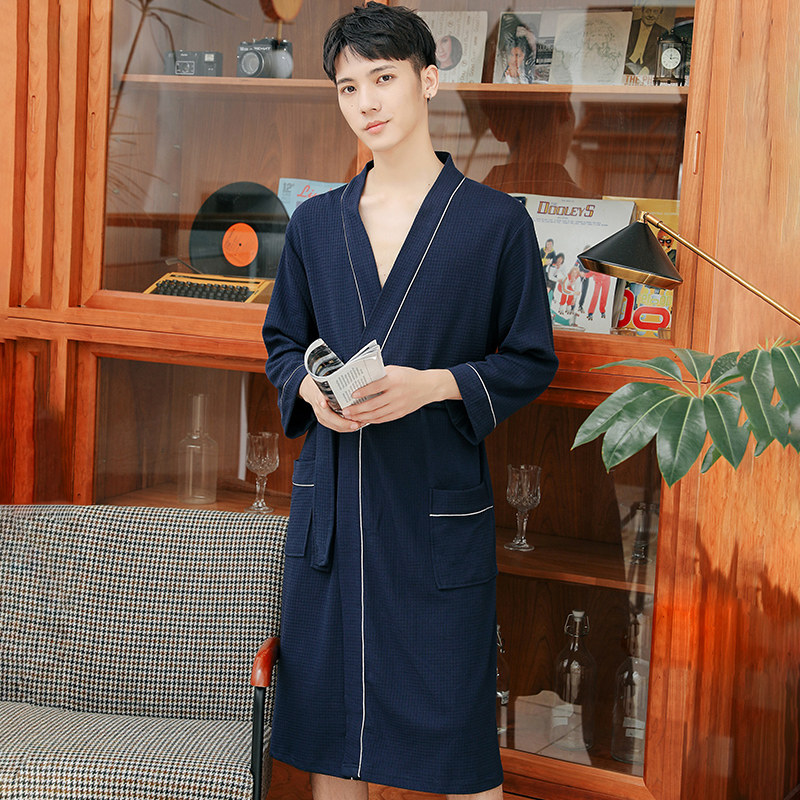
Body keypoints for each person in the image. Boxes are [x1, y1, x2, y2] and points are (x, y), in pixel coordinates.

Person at [262, 4, 558, 799]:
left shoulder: (495, 225)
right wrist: (313, 393)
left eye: (384, 78)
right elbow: (282, 344)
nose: (366, 102)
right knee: (333, 746)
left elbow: (530, 358)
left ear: (428, 80)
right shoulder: (316, 225)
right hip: (333, 519)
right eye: (347, 86)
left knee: (462, 751)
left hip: (434, 521)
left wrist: (434, 384)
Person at [625, 2, 668, 77]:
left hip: (646, 71)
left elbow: (661, 55)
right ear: (642, 10)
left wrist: (648, 69)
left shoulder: (663, 32)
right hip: (625, 66)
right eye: (648, 11)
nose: (651, 15)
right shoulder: (629, 25)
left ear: (659, 14)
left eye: (655, 12)